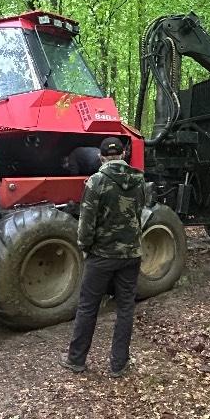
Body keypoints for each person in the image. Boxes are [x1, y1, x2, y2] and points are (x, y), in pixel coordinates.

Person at [62, 136, 146, 377]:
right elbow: (140, 211)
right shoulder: (139, 179)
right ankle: (119, 365)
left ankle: (76, 359)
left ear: (101, 157)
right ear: (123, 155)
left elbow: (86, 223)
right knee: (125, 309)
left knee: (88, 307)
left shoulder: (96, 182)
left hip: (102, 255)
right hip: (131, 255)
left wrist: (85, 247)